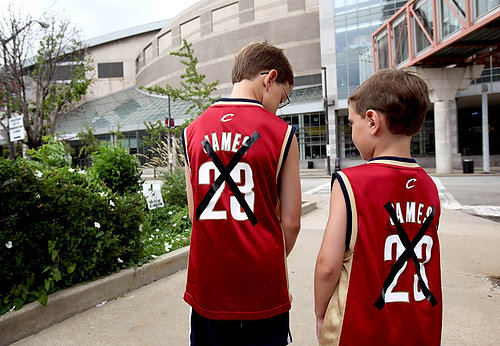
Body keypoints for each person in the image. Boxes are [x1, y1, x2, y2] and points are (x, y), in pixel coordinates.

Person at [182, 41, 301, 345]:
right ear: (269, 78)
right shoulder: (282, 134)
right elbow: (291, 222)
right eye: (282, 97)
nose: (279, 106)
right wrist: (267, 258)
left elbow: (195, 212)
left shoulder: (191, 131)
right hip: (262, 285)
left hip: (208, 284)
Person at [314, 69, 442, 345]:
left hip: (361, 328)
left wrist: (321, 313)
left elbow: (327, 265)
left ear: (372, 121)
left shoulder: (351, 183)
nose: (352, 131)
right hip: (419, 326)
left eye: (351, 122)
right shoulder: (429, 187)